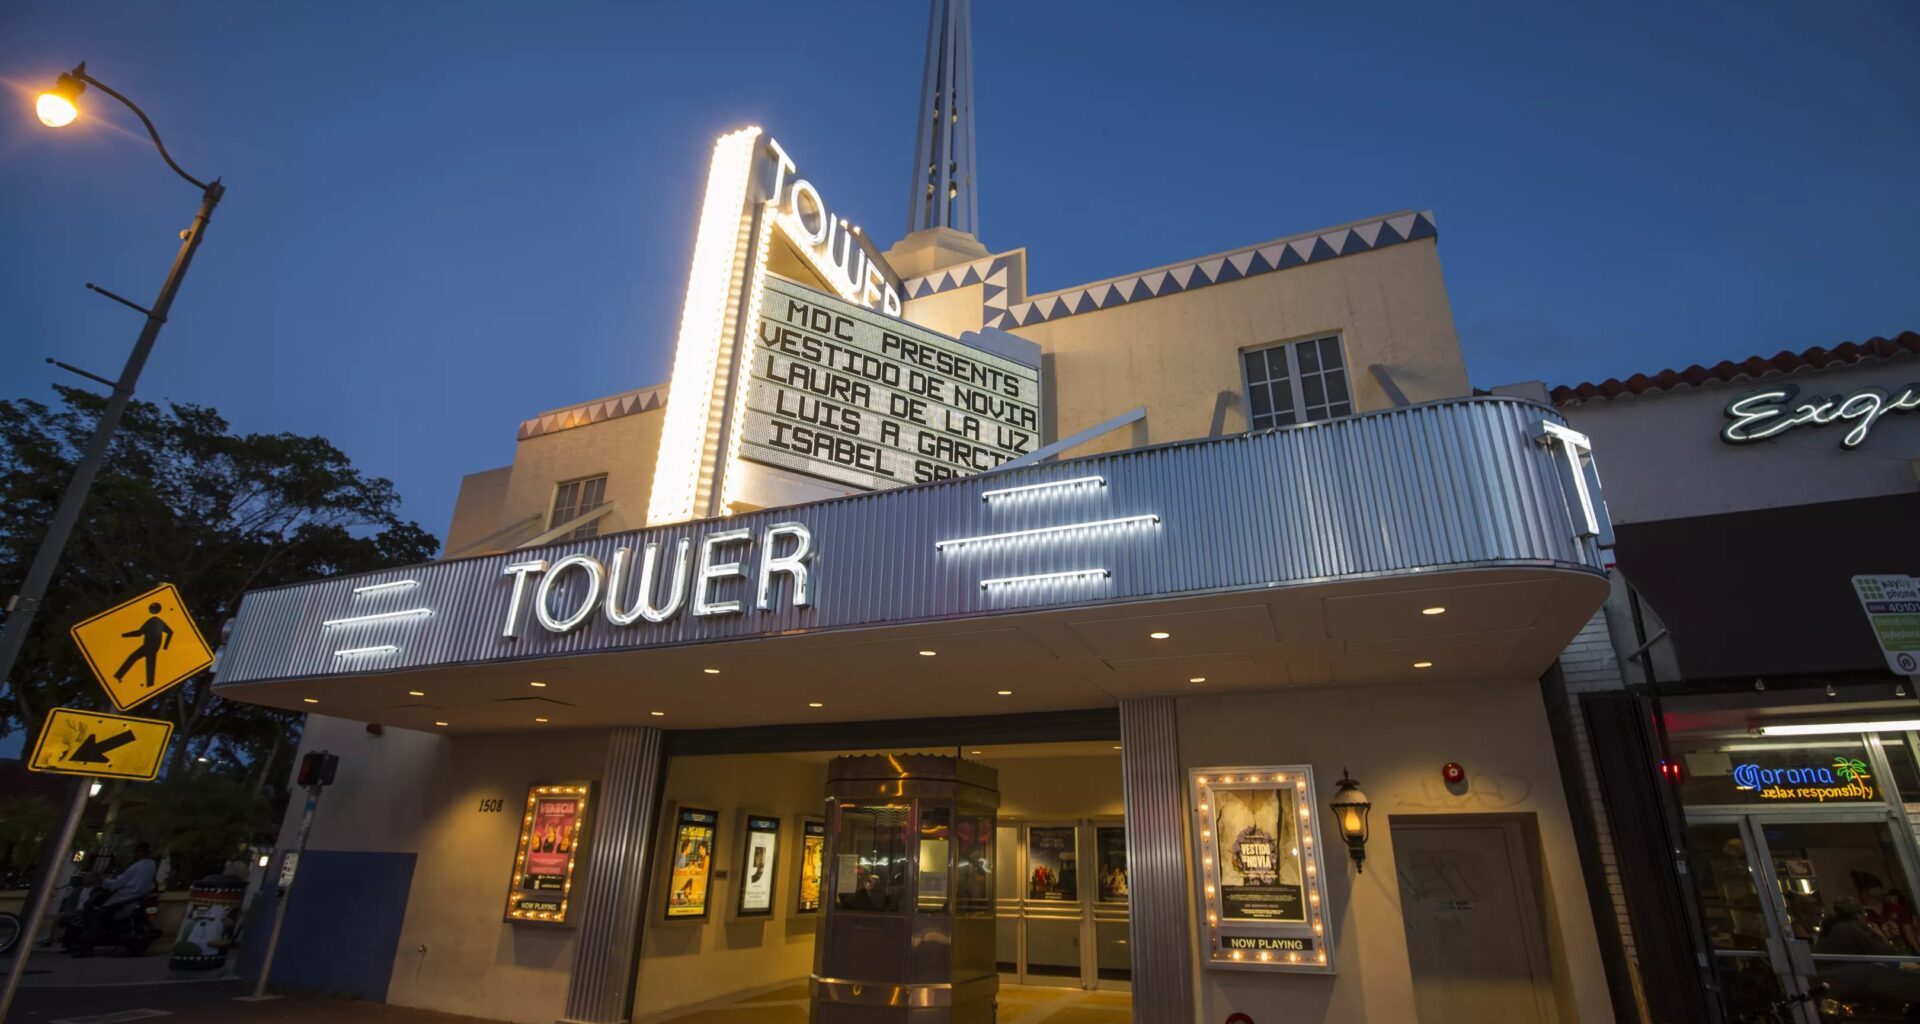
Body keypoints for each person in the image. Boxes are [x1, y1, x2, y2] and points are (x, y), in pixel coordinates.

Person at [76, 843, 158, 957]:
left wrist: (105, 881)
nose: (136, 854)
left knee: (98, 916)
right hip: (139, 896)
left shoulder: (136, 866)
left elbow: (119, 882)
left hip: (126, 897)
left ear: (140, 853)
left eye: (138, 852)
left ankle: (87, 948)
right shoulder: (152, 864)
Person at [112, 604, 174, 690]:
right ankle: (118, 676)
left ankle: (150, 685)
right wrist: (123, 635)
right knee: (135, 658)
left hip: (153, 647)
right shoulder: (150, 621)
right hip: (146, 646)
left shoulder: (158, 621)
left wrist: (165, 647)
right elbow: (139, 633)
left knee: (149, 665)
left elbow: (170, 632)